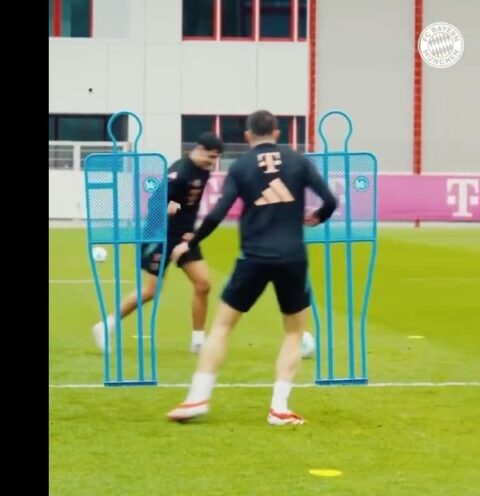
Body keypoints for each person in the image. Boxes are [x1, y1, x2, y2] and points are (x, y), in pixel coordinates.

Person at [165, 110, 337, 425]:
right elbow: (330, 199)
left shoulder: (241, 166)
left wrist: (190, 242)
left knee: (221, 327)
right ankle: (279, 408)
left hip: (254, 257)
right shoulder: (297, 160)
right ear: (277, 132)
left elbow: (217, 214)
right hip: (292, 257)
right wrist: (318, 217)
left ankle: (197, 398)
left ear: (247, 136)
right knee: (294, 332)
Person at [92, 132, 224, 354]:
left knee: (203, 284)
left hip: (183, 237)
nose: (212, 162)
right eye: (210, 157)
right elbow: (155, 205)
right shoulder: (179, 173)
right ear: (199, 149)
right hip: (159, 236)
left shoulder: (203, 172)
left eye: (215, 158)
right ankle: (106, 325)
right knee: (151, 291)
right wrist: (166, 213)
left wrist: (189, 233)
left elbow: (190, 207)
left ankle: (198, 341)